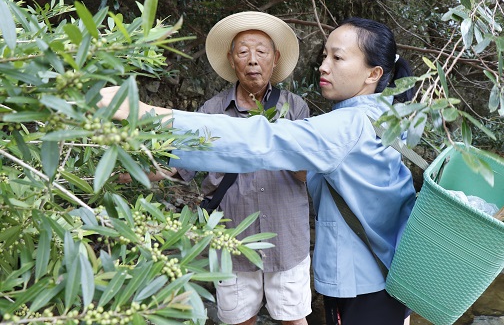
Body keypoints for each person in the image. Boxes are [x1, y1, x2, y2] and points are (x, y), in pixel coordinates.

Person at [100, 17, 416, 325]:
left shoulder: (347, 124)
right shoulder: (387, 117)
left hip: (363, 283)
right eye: (324, 56)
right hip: (384, 273)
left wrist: (144, 114)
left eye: (337, 57)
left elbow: (259, 140)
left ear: (373, 73)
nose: (323, 66)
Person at [146, 12, 312, 325]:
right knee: (238, 320)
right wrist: (133, 168)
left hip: (286, 238)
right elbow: (180, 167)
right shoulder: (210, 112)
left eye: (261, 52)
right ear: (231, 59)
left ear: (275, 59)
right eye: (243, 52)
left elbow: (307, 172)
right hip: (231, 239)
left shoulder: (295, 107)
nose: (253, 60)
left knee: (293, 320)